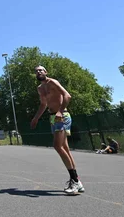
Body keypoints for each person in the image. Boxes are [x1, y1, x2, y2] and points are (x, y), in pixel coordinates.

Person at [30, 65, 85, 195]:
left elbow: (67, 96)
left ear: (46, 72)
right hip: (52, 118)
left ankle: (74, 181)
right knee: (65, 148)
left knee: (57, 146)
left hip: (62, 116)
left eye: (40, 70)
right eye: (36, 71)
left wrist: (60, 112)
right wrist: (36, 118)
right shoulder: (40, 88)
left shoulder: (53, 82)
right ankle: (77, 181)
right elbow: (43, 104)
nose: (38, 72)